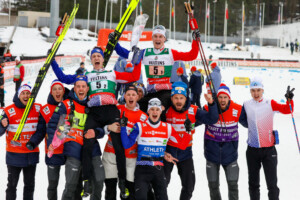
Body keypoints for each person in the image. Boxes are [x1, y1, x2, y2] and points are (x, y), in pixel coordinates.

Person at [51, 46, 142, 197]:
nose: (96, 58)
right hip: (94, 113)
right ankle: (86, 181)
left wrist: (137, 62)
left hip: (111, 111)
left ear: (103, 59)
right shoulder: (85, 74)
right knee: (87, 143)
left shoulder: (111, 73)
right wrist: (52, 61)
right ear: (91, 59)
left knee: (119, 146)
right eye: (93, 56)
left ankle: (122, 181)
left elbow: (133, 76)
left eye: (99, 56)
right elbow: (64, 79)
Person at [114, 25, 200, 115]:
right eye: (155, 36)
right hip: (151, 91)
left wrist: (195, 40)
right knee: (139, 109)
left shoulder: (170, 53)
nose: (157, 39)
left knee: (159, 109)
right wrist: (115, 43)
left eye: (160, 36)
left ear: (164, 39)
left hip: (165, 91)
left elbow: (191, 55)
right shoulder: (145, 52)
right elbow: (125, 53)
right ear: (152, 38)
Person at [47, 75, 105, 200]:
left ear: (87, 88)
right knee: (71, 185)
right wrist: (52, 143)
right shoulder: (66, 104)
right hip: (73, 147)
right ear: (74, 88)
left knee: (99, 180)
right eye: (78, 86)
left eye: (83, 86)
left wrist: (96, 132)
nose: (81, 89)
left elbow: (102, 129)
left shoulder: (93, 105)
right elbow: (54, 125)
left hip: (91, 148)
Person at [121, 98, 192, 200]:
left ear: (160, 111)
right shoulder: (139, 126)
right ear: (148, 111)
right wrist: (123, 127)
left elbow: (182, 145)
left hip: (158, 170)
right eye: (152, 109)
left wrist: (188, 131)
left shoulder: (167, 127)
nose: (155, 112)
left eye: (157, 109)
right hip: (142, 170)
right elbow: (127, 144)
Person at [239, 77, 295, 200]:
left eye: (258, 90)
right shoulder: (246, 104)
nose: (256, 93)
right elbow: (241, 119)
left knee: (272, 184)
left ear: (262, 90)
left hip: (269, 151)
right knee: (253, 184)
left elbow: (288, 110)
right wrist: (252, 125)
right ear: (250, 91)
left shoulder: (270, 103)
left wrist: (289, 100)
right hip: (252, 150)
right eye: (253, 90)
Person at [163, 81, 218, 200]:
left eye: (181, 98)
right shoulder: (165, 110)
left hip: (185, 153)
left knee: (189, 186)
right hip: (168, 152)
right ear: (171, 98)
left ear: (186, 97)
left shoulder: (193, 110)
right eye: (176, 98)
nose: (178, 101)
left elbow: (212, 119)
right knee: (162, 184)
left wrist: (211, 103)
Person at [26, 80, 70, 200]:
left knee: (71, 185)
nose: (57, 91)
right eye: (54, 89)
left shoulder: (70, 106)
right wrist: (33, 142)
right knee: (52, 185)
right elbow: (41, 131)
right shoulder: (45, 109)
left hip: (69, 151)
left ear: (63, 91)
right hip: (53, 152)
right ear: (51, 92)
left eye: (59, 89)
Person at [103, 85, 148, 200]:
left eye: (133, 94)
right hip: (111, 153)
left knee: (128, 191)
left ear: (138, 97)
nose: (131, 97)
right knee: (110, 189)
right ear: (124, 96)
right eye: (128, 94)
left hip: (130, 157)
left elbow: (147, 137)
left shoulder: (143, 116)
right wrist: (108, 127)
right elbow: (101, 122)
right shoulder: (117, 108)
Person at [0, 84, 42, 200]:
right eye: (23, 93)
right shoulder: (9, 110)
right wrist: (2, 125)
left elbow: (44, 127)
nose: (26, 96)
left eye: (28, 93)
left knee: (29, 186)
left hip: (31, 154)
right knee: (12, 186)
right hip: (14, 156)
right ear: (18, 96)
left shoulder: (37, 108)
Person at [203, 83, 242, 200]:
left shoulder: (238, 109)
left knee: (233, 186)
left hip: (230, 155)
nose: (222, 100)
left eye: (225, 97)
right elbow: (196, 119)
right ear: (216, 98)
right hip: (212, 155)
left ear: (229, 98)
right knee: (213, 187)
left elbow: (250, 122)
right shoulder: (207, 108)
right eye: (220, 97)